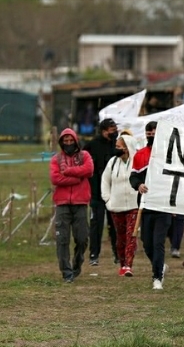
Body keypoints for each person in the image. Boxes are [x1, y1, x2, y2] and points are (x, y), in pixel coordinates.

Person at [130, 121, 172, 290]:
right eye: (149, 131)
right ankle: (159, 264)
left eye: (154, 131)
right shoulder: (139, 155)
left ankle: (157, 277)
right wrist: (138, 185)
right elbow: (133, 177)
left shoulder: (168, 155)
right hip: (145, 207)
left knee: (158, 242)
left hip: (163, 206)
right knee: (147, 243)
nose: (151, 134)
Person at [50, 128, 94, 283]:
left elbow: (88, 170)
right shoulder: (56, 159)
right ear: (61, 142)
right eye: (65, 141)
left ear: (76, 141)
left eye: (71, 140)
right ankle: (66, 272)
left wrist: (68, 171)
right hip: (62, 204)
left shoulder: (85, 156)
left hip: (80, 202)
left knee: (82, 239)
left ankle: (77, 263)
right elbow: (55, 179)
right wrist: (76, 178)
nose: (68, 143)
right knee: (62, 239)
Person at [101, 134, 140, 277]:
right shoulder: (112, 162)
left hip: (134, 205)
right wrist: (107, 200)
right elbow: (105, 181)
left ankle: (128, 266)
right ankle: (122, 263)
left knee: (131, 236)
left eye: (119, 146)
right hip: (116, 206)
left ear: (127, 147)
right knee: (120, 238)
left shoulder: (136, 161)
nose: (116, 149)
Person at [83, 118, 119, 266]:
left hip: (114, 193)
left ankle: (118, 254)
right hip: (97, 193)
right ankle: (94, 254)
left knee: (115, 225)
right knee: (96, 225)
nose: (115, 133)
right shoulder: (92, 146)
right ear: (104, 131)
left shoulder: (116, 145)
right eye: (112, 130)